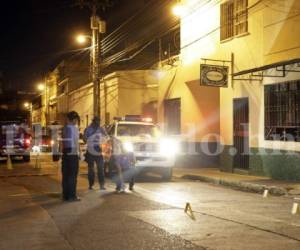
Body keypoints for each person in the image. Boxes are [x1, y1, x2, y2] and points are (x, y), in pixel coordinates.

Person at [61, 111, 81, 202]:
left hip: (65, 152)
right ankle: (72, 196)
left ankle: (65, 195)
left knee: (66, 174)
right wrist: (79, 153)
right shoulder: (74, 128)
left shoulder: (64, 128)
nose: (77, 121)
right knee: (72, 175)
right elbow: (76, 142)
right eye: (76, 119)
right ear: (73, 119)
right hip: (72, 151)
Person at [83, 116, 107, 190]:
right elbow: (84, 139)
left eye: (99, 121)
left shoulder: (101, 129)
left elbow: (106, 136)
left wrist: (103, 140)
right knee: (91, 169)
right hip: (90, 150)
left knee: (100, 168)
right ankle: (91, 185)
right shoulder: (88, 129)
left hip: (98, 150)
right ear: (93, 122)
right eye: (97, 121)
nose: (98, 123)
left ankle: (102, 185)